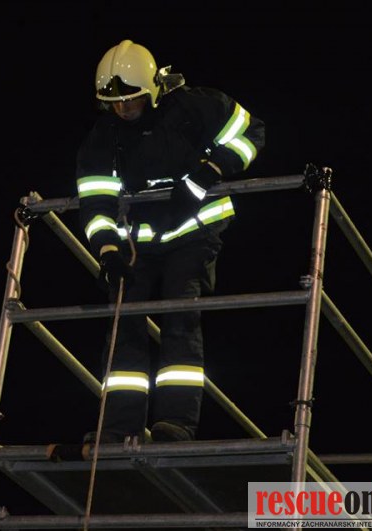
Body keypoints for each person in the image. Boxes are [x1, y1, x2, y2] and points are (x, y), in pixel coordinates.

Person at [75, 39, 265, 443]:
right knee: (124, 324)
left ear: (152, 91)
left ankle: (176, 424)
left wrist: (209, 172)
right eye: (115, 103)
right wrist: (107, 251)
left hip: (195, 230)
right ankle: (119, 428)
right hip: (136, 242)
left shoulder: (194, 107)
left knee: (180, 317)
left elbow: (251, 132)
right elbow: (95, 198)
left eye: (131, 100)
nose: (123, 109)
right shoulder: (104, 135)